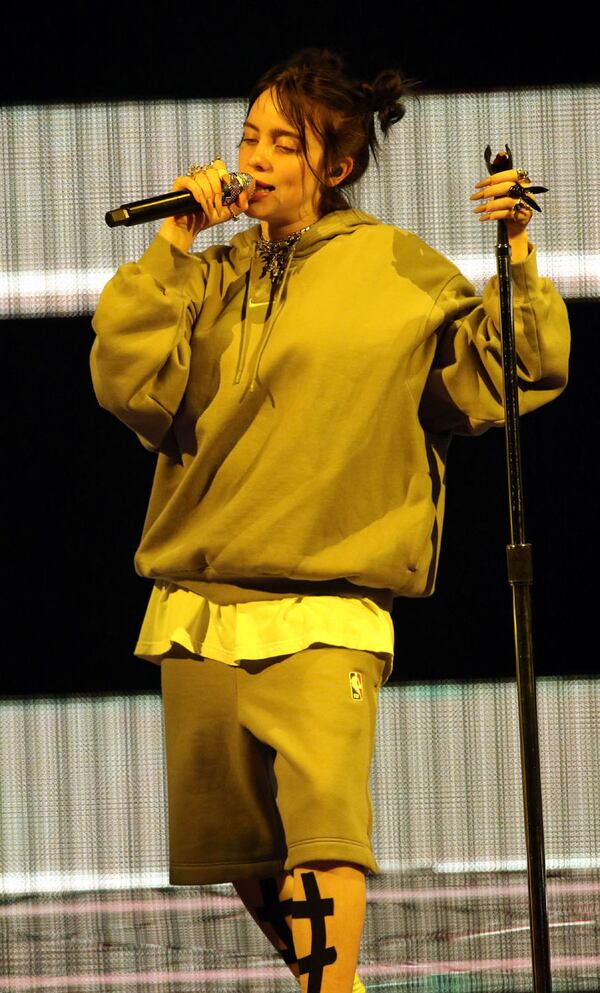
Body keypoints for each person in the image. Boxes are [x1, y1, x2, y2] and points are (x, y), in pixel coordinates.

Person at [90, 48, 570, 993]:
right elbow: (128, 387)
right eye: (247, 138)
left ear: (335, 166)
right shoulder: (207, 273)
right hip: (199, 601)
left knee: (325, 827)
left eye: (282, 143)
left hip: (328, 601)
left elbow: (504, 372)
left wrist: (515, 252)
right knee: (243, 848)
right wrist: (173, 246)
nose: (254, 159)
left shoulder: (397, 271)